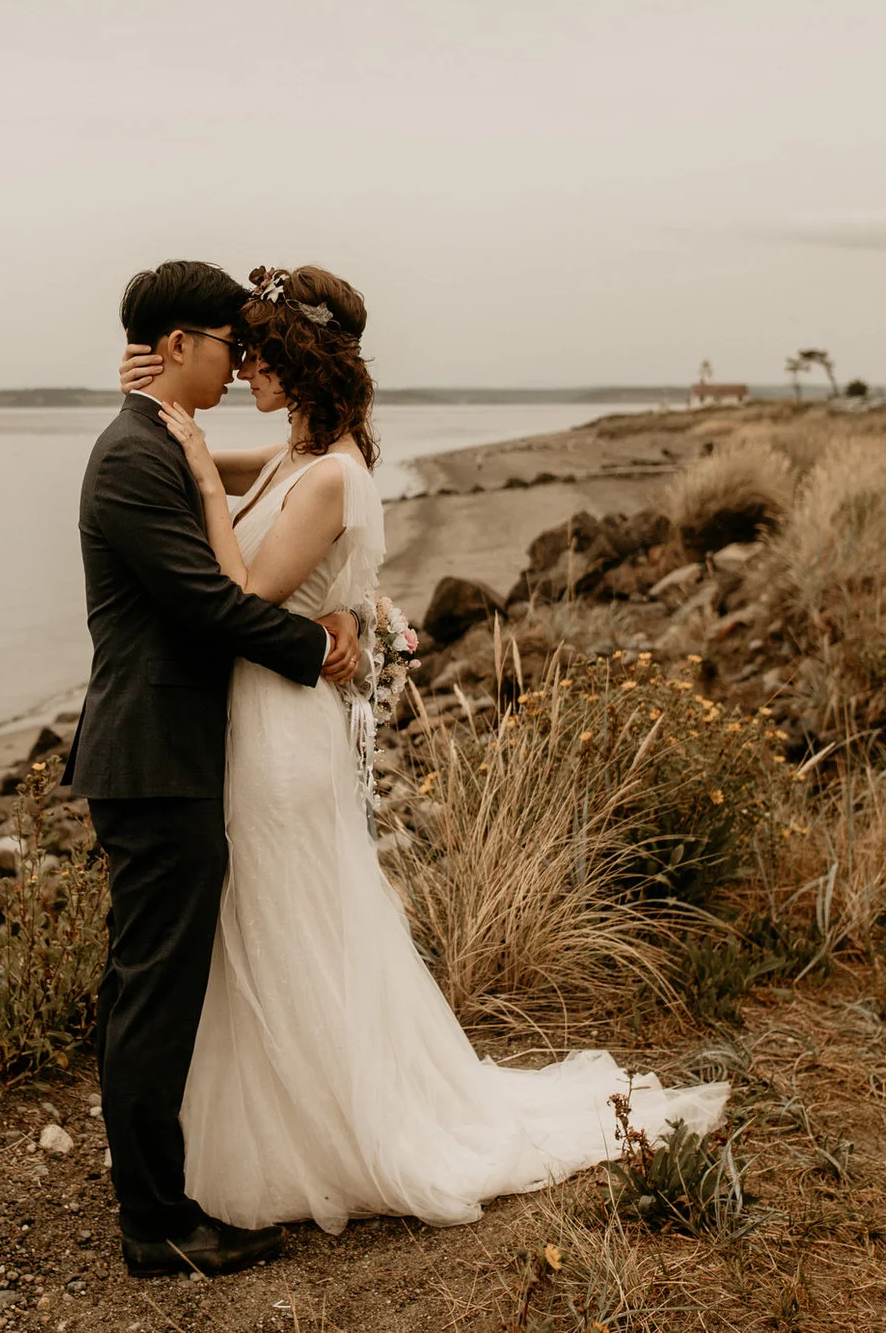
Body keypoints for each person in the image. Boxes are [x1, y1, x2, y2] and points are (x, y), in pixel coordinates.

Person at [121, 263, 731, 1238]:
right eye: (237, 351)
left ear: (300, 360)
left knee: (291, 924)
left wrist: (194, 467)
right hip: (268, 718)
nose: (243, 369)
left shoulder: (330, 475)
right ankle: (269, 1119)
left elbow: (236, 589)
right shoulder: (305, 453)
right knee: (285, 921)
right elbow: (240, 467)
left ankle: (328, 1129)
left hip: (280, 732)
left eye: (262, 354)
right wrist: (164, 414)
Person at [68, 260, 362, 1278]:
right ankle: (153, 1220)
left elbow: (286, 475)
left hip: (173, 752)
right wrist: (321, 648)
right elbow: (206, 600)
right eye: (229, 343)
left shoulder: (159, 438)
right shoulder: (134, 458)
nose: (241, 361)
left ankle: (164, 1187)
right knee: (152, 986)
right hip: (154, 758)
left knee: (156, 980)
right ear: (182, 346)